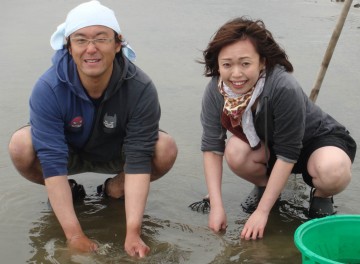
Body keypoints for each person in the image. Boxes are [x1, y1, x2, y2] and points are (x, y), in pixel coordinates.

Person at [8, 0, 177, 258]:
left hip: (116, 154)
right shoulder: (48, 88)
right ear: (69, 46)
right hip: (67, 155)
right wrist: (74, 235)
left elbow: (139, 157)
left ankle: (114, 189)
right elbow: (52, 161)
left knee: (164, 148)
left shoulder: (140, 88)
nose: (91, 49)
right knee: (20, 145)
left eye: (101, 38)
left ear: (118, 44)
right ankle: (70, 190)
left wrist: (133, 231)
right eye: (81, 40)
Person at [191, 17, 356, 241]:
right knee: (234, 151)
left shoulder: (283, 86)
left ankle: (322, 197)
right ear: (217, 65)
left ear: (263, 62)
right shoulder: (216, 90)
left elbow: (289, 152)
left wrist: (262, 213)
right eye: (227, 64)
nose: (236, 74)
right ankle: (265, 187)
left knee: (333, 170)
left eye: (245, 63)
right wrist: (217, 205)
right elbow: (212, 147)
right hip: (271, 144)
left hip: (316, 141)